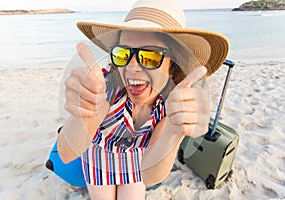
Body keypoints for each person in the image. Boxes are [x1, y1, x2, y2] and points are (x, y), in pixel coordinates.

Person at [57, 0, 229, 199]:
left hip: (135, 162)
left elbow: (149, 175)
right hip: (99, 155)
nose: (131, 68)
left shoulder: (168, 105)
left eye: (150, 56)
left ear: (173, 66)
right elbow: (66, 153)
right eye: (122, 54)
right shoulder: (106, 87)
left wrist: (175, 131)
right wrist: (84, 113)